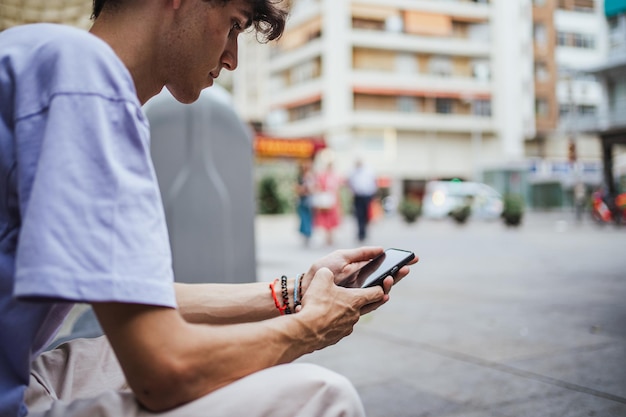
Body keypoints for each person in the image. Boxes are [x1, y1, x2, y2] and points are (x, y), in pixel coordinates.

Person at [0, 1, 418, 417]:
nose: (232, 58)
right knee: (322, 394)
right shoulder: (83, 81)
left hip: (19, 371)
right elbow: (165, 370)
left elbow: (137, 295)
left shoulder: (38, 57)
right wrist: (310, 327)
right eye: (234, 25)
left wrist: (295, 292)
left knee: (140, 349)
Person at [313, 161, 343, 246]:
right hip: (326, 200)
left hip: (333, 200)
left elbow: (339, 186)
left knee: (332, 219)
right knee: (326, 218)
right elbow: (319, 186)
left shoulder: (336, 176)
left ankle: (330, 236)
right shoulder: (322, 176)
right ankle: (327, 236)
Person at [348, 159, 378, 242]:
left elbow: (373, 183)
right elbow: (350, 184)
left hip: (367, 196)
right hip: (358, 196)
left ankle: (364, 232)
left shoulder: (368, 171)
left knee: (367, 215)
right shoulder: (353, 172)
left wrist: (373, 195)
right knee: (359, 215)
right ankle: (361, 233)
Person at [295, 159, 315, 246]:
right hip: (303, 199)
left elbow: (311, 189)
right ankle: (306, 233)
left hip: (307, 199)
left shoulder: (309, 176)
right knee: (304, 217)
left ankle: (307, 233)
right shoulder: (301, 177)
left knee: (307, 217)